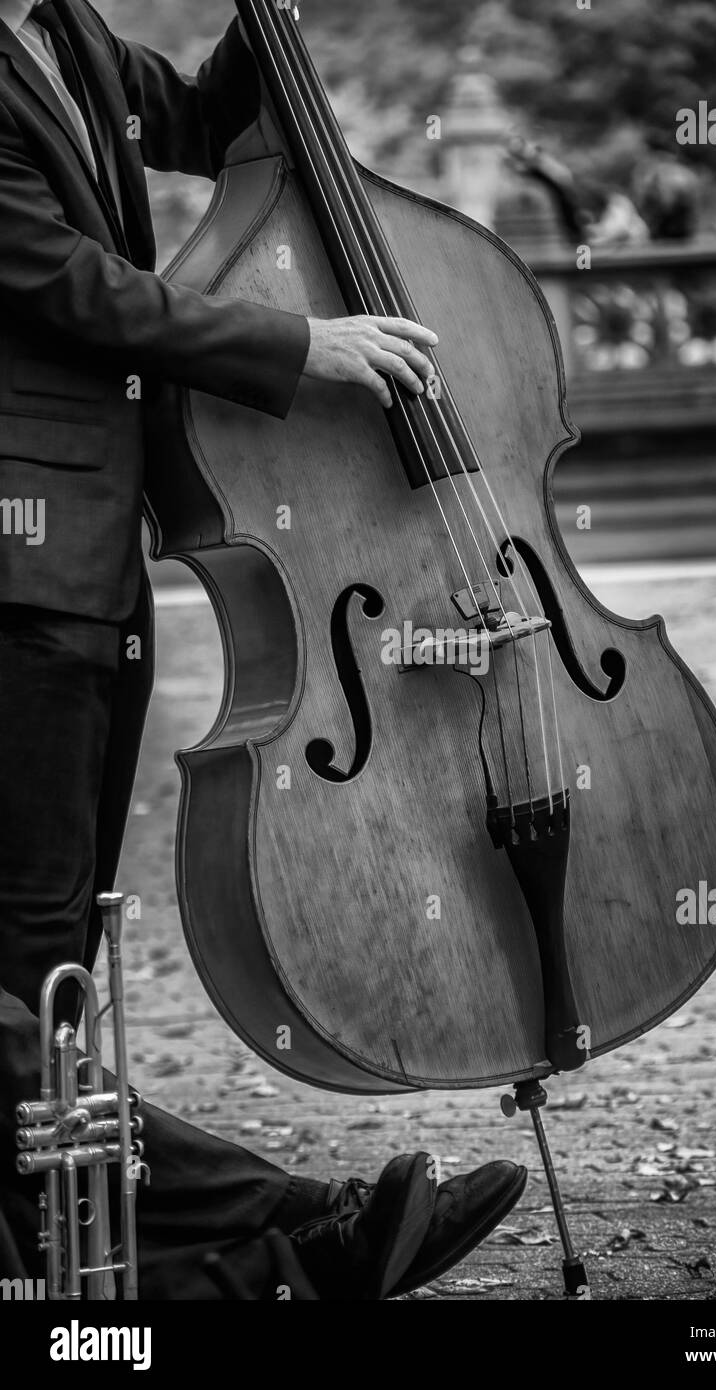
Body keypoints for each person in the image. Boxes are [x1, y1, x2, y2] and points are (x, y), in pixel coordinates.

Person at [0, 0, 526, 1299]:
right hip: (18, 569)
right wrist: (300, 344)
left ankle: (204, 1275)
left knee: (46, 970)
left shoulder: (66, 32)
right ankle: (291, 1226)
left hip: (90, 560)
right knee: (25, 977)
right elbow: (67, 280)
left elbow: (200, 115)